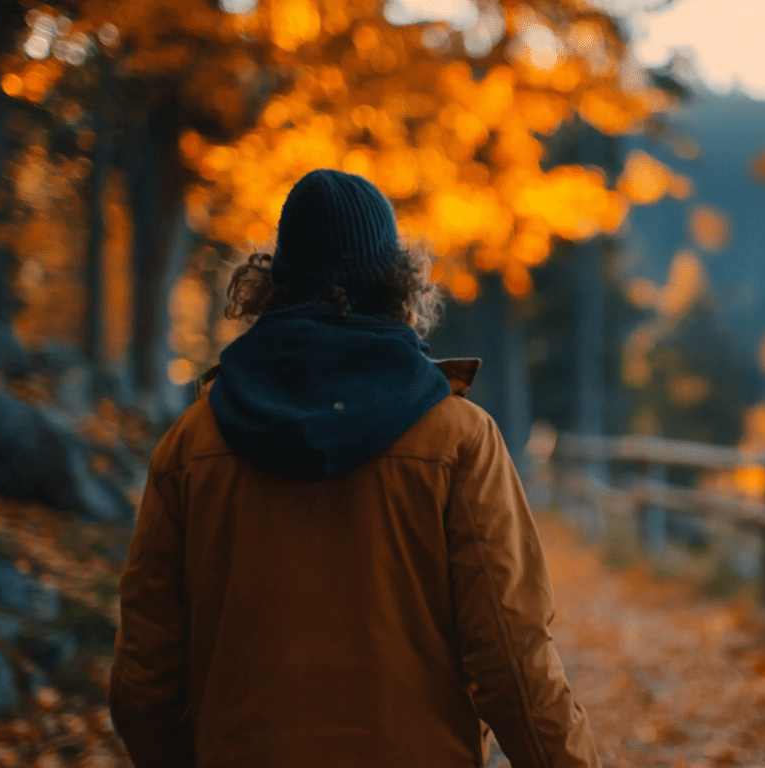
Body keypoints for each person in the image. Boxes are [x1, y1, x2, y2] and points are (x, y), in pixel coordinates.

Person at [109, 169, 600, 768]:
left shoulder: (192, 446)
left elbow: (144, 682)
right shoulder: (458, 441)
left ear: (273, 284)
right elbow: (511, 660)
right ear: (398, 287)